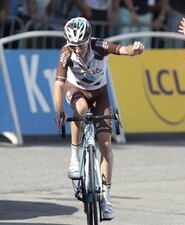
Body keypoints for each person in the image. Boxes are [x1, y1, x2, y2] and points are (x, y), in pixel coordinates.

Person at [53, 17, 144, 220]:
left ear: (88, 40)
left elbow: (122, 49)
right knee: (82, 108)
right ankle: (74, 158)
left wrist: (134, 50)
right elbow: (58, 84)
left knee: (106, 145)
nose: (77, 50)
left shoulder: (99, 45)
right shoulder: (66, 52)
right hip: (75, 90)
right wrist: (59, 110)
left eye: (81, 45)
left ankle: (105, 200)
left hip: (100, 94)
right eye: (73, 45)